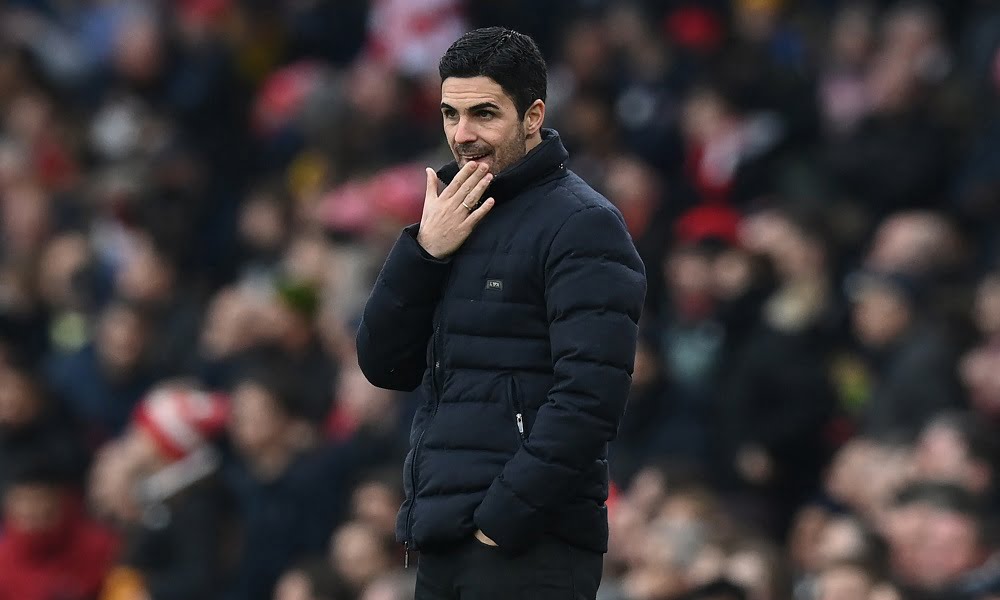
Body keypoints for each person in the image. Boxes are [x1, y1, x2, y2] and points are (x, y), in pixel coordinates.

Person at [356, 26, 647, 599]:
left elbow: (590, 399)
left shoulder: (583, 224)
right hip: (443, 539)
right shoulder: (450, 218)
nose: (462, 134)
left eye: (484, 114)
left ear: (533, 116)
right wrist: (423, 252)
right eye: (450, 114)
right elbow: (383, 364)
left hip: (527, 546)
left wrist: (501, 520)